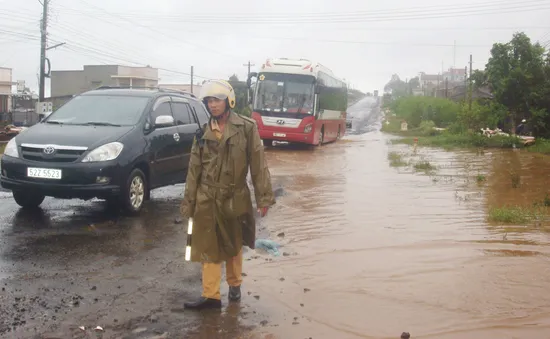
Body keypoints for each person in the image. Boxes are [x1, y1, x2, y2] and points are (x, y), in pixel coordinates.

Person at [180, 79, 276, 310]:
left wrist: (263, 198)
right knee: (207, 247)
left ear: (228, 101)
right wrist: (189, 203)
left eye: (217, 100)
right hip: (206, 199)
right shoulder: (202, 133)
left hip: (235, 197)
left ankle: (234, 285)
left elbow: (258, 164)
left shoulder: (247, 128)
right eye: (209, 101)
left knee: (233, 245)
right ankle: (210, 296)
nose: (213, 105)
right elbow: (194, 171)